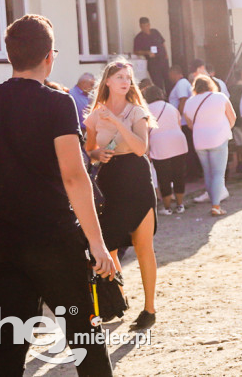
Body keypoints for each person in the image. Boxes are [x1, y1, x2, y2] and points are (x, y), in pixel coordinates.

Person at [0, 14, 116, 376]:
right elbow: (74, 177)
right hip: (53, 242)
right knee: (87, 345)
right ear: (48, 57)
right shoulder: (57, 103)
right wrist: (98, 245)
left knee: (4, 357)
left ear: (10, 56)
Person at [84, 60, 158, 332]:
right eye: (119, 77)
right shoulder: (93, 116)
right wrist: (96, 155)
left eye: (128, 77)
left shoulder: (137, 111)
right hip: (110, 182)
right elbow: (88, 151)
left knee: (143, 246)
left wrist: (117, 121)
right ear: (108, 82)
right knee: (110, 245)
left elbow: (140, 148)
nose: (125, 81)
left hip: (137, 180)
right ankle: (119, 297)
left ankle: (149, 309)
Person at [185, 75, 236, 216]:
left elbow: (190, 124)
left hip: (200, 141)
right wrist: (225, 128)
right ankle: (216, 206)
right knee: (218, 174)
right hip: (218, 139)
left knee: (207, 173)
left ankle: (213, 201)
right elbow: (232, 117)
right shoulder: (220, 97)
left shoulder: (189, 102)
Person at [144, 85, 189, 215]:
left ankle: (167, 207)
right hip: (178, 142)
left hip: (159, 145)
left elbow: (145, 132)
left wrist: (147, 151)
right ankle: (180, 205)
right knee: (179, 174)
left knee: (164, 177)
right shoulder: (171, 107)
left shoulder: (146, 110)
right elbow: (178, 125)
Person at [132, 17, 169, 89]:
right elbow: (136, 51)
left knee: (168, 80)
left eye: (146, 26)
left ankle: (169, 98)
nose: (145, 28)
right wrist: (147, 52)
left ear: (149, 25)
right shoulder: (139, 38)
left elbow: (162, 43)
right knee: (158, 82)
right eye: (143, 26)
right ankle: (161, 97)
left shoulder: (155, 32)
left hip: (162, 59)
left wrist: (166, 55)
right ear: (140, 26)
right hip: (153, 63)